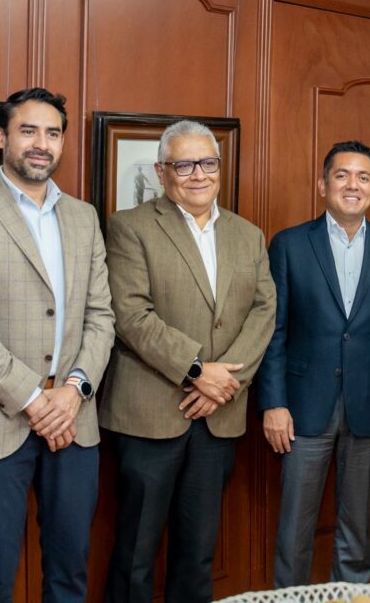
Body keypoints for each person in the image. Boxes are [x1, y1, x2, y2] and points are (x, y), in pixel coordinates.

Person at [0, 87, 115, 602]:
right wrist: (36, 400)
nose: (41, 144)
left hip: (74, 419)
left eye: (52, 133)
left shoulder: (83, 217)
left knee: (70, 572)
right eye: (28, 131)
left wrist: (73, 391)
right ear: (0, 137)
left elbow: (101, 316)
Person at [99, 120, 276, 602]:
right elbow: (131, 315)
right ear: (162, 172)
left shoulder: (248, 234)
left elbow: (264, 311)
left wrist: (225, 382)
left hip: (219, 415)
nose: (199, 174)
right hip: (151, 415)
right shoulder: (130, 227)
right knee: (135, 554)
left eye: (208, 162)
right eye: (184, 164)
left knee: (197, 554)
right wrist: (198, 371)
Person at [257, 140, 370, 587]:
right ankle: (288, 599)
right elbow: (273, 331)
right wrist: (273, 403)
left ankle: (351, 596)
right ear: (323, 185)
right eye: (342, 175)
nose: (353, 185)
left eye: (363, 177)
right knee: (295, 525)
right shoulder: (289, 245)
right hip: (303, 407)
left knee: (357, 526)